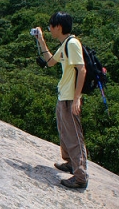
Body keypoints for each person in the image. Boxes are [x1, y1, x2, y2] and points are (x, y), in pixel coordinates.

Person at [33, 12, 89, 189]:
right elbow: (50, 62)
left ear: (59, 26)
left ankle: (80, 176)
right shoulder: (65, 44)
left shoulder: (72, 44)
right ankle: (71, 163)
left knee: (73, 136)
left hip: (70, 97)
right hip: (63, 95)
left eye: (51, 26)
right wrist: (41, 40)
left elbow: (82, 70)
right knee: (64, 132)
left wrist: (76, 98)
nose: (49, 29)